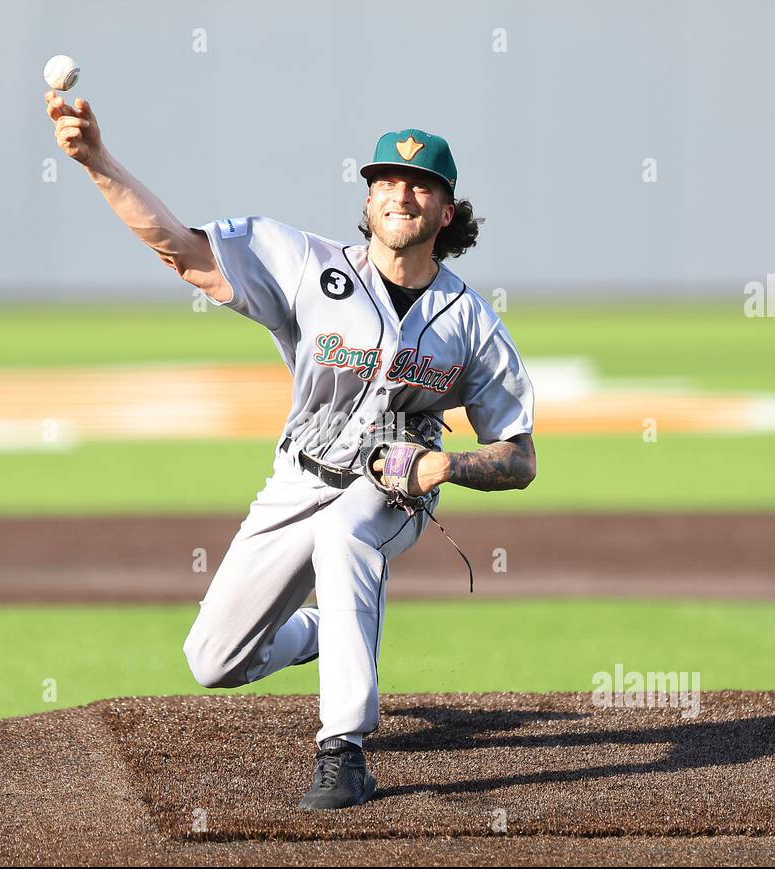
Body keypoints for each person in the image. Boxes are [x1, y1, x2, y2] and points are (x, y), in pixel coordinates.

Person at [46, 92, 536, 810]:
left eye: (421, 184)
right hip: (297, 477)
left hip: (393, 485)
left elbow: (520, 458)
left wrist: (443, 466)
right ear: (367, 202)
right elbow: (180, 249)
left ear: (448, 212)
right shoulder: (307, 265)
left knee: (346, 535)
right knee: (213, 661)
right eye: (385, 182)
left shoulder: (471, 322)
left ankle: (344, 751)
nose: (400, 192)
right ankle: (316, 631)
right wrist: (96, 162)